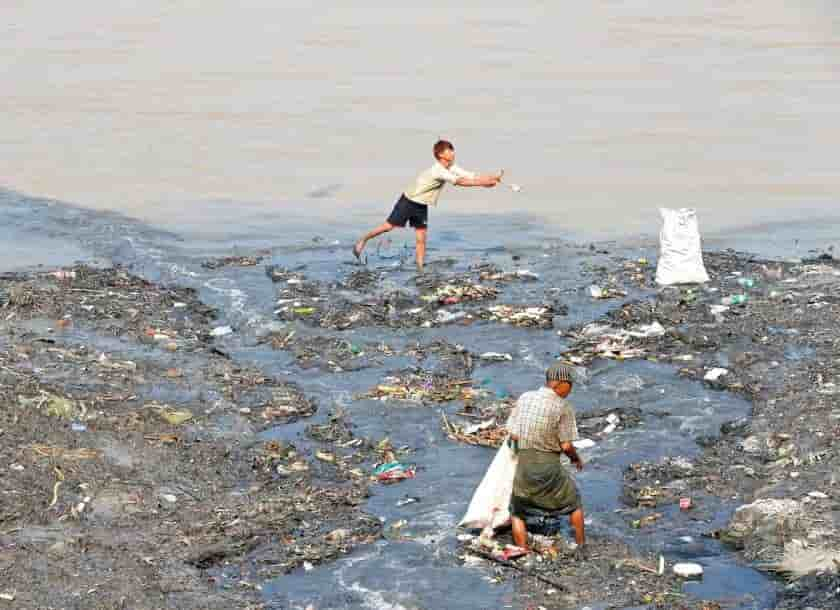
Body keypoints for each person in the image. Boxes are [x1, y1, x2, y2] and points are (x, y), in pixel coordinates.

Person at [353, 140, 503, 272]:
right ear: (440, 155)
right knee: (388, 227)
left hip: (422, 205)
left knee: (421, 238)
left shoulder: (451, 166)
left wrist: (491, 178)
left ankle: (419, 268)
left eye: (452, 149)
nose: (452, 152)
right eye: (448, 150)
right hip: (409, 201)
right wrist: (484, 184)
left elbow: (469, 175)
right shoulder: (438, 170)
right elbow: (460, 182)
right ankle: (363, 240)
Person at [506, 362, 586, 557]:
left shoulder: (525, 398)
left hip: (524, 465)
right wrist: (576, 459)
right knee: (574, 503)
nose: (571, 389)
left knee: (517, 511)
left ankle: (522, 549)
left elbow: (514, 435)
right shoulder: (562, 406)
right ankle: (581, 545)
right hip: (548, 466)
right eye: (570, 384)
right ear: (559, 384)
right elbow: (566, 445)